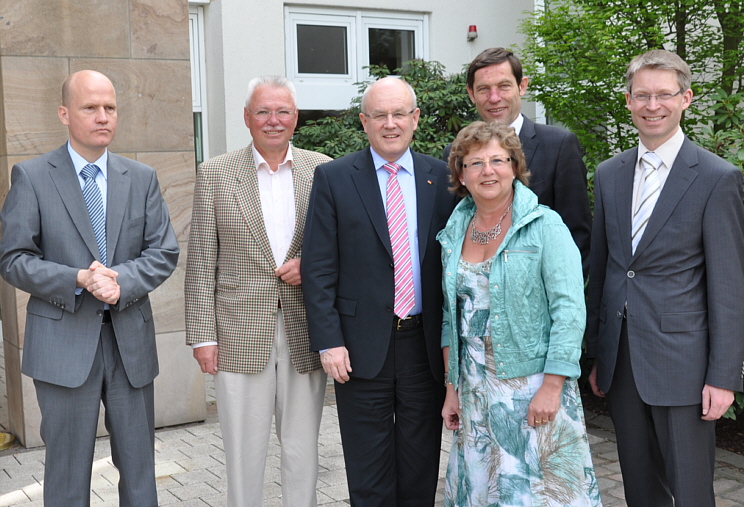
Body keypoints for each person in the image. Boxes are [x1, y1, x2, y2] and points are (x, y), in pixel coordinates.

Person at [0, 70, 179, 506]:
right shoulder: (33, 176)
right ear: (64, 113)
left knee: (139, 473)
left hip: (130, 346)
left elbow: (164, 251)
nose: (103, 117)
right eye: (90, 107)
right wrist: (77, 278)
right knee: (66, 475)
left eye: (110, 107)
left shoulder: (141, 177)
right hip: (62, 347)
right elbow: (13, 258)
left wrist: (123, 283)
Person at [587, 50, 744, 507]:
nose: (652, 105)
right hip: (622, 362)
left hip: (685, 365)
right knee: (640, 488)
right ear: (628, 100)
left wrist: (723, 376)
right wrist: (599, 354)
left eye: (664, 95)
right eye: (642, 95)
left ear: (686, 98)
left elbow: (728, 289)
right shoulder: (609, 173)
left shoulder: (717, 177)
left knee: (691, 491)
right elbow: (606, 271)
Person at [301, 76, 457, 506]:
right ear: (363, 122)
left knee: (420, 466)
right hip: (358, 347)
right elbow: (317, 269)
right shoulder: (333, 177)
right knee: (368, 473)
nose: (391, 124)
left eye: (399, 114)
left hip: (423, 346)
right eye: (380, 115)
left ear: (415, 119)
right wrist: (329, 341)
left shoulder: (441, 177)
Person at [185, 76, 331, 507]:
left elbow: (339, 245)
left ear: (296, 118)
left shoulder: (323, 169)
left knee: (303, 448)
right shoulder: (214, 173)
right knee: (243, 451)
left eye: (283, 111)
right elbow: (200, 262)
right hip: (237, 333)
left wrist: (314, 265)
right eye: (263, 112)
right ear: (247, 118)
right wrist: (203, 336)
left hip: (307, 328)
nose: (273, 120)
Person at [440, 121, 601, 506]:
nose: (487, 171)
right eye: (475, 163)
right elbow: (451, 317)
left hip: (532, 387)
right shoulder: (454, 228)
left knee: (537, 493)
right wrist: (451, 389)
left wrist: (552, 387)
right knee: (485, 490)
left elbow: (570, 309)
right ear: (461, 174)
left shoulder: (545, 225)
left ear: (515, 166)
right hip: (474, 389)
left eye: (498, 160)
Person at [444, 47, 591, 273]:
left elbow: (577, 235)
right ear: (471, 93)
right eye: (484, 89)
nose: (494, 98)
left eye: (504, 86)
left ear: (522, 86)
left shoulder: (559, 146)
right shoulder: (457, 153)